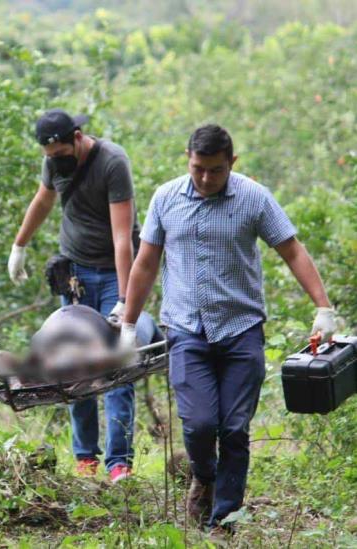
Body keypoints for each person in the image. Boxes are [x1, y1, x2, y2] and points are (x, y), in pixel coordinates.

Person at [119, 124, 336, 532]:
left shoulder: (254, 198)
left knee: (235, 428)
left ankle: (224, 518)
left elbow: (291, 250)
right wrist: (129, 324)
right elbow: (145, 263)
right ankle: (204, 476)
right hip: (185, 330)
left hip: (241, 329)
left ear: (231, 163)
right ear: (188, 158)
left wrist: (323, 307)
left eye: (215, 170)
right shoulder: (166, 198)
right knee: (200, 424)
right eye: (198, 168)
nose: (205, 178)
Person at [7, 109, 140, 482]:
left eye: (62, 153)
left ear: (78, 137)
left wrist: (125, 297)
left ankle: (119, 463)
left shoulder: (112, 162)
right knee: (74, 363)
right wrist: (20, 245)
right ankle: (85, 457)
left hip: (114, 271)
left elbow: (122, 235)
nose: (56, 161)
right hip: (76, 273)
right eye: (51, 157)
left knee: (117, 365)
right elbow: (44, 200)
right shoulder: (53, 162)